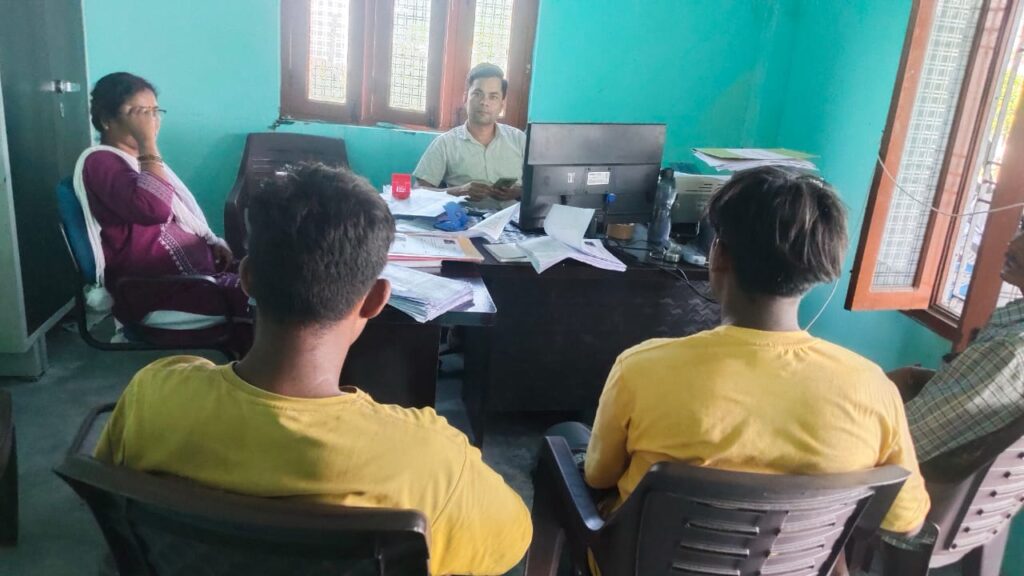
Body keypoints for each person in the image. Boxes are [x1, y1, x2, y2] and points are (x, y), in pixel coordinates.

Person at [93, 163, 532, 576]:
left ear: (247, 278)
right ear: (375, 300)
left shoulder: (154, 393)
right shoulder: (432, 460)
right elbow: (513, 540)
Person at [547, 167, 929, 545]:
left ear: (719, 255)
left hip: (640, 560)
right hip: (797, 567)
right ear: (819, 266)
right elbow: (905, 522)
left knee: (565, 437)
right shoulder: (872, 389)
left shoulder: (642, 368)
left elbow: (598, 477)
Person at [73, 72, 250, 354]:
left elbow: (178, 214)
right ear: (107, 119)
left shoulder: (137, 163)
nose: (151, 121)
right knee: (278, 304)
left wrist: (210, 243)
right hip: (161, 296)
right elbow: (154, 209)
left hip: (196, 283)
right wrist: (147, 143)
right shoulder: (101, 162)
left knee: (280, 286)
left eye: (155, 111)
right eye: (140, 113)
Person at [890, 219, 1024, 463]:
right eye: (1022, 227)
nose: (1013, 243)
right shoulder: (1012, 327)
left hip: (901, 472)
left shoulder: (1011, 350)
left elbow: (904, 440)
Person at [413, 63, 525, 210]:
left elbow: (543, 188)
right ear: (465, 99)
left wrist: (519, 192)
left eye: (493, 96)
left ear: (501, 105)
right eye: (477, 94)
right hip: (464, 220)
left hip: (513, 220)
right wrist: (458, 191)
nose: (484, 102)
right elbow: (419, 191)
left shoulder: (519, 139)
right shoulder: (446, 143)